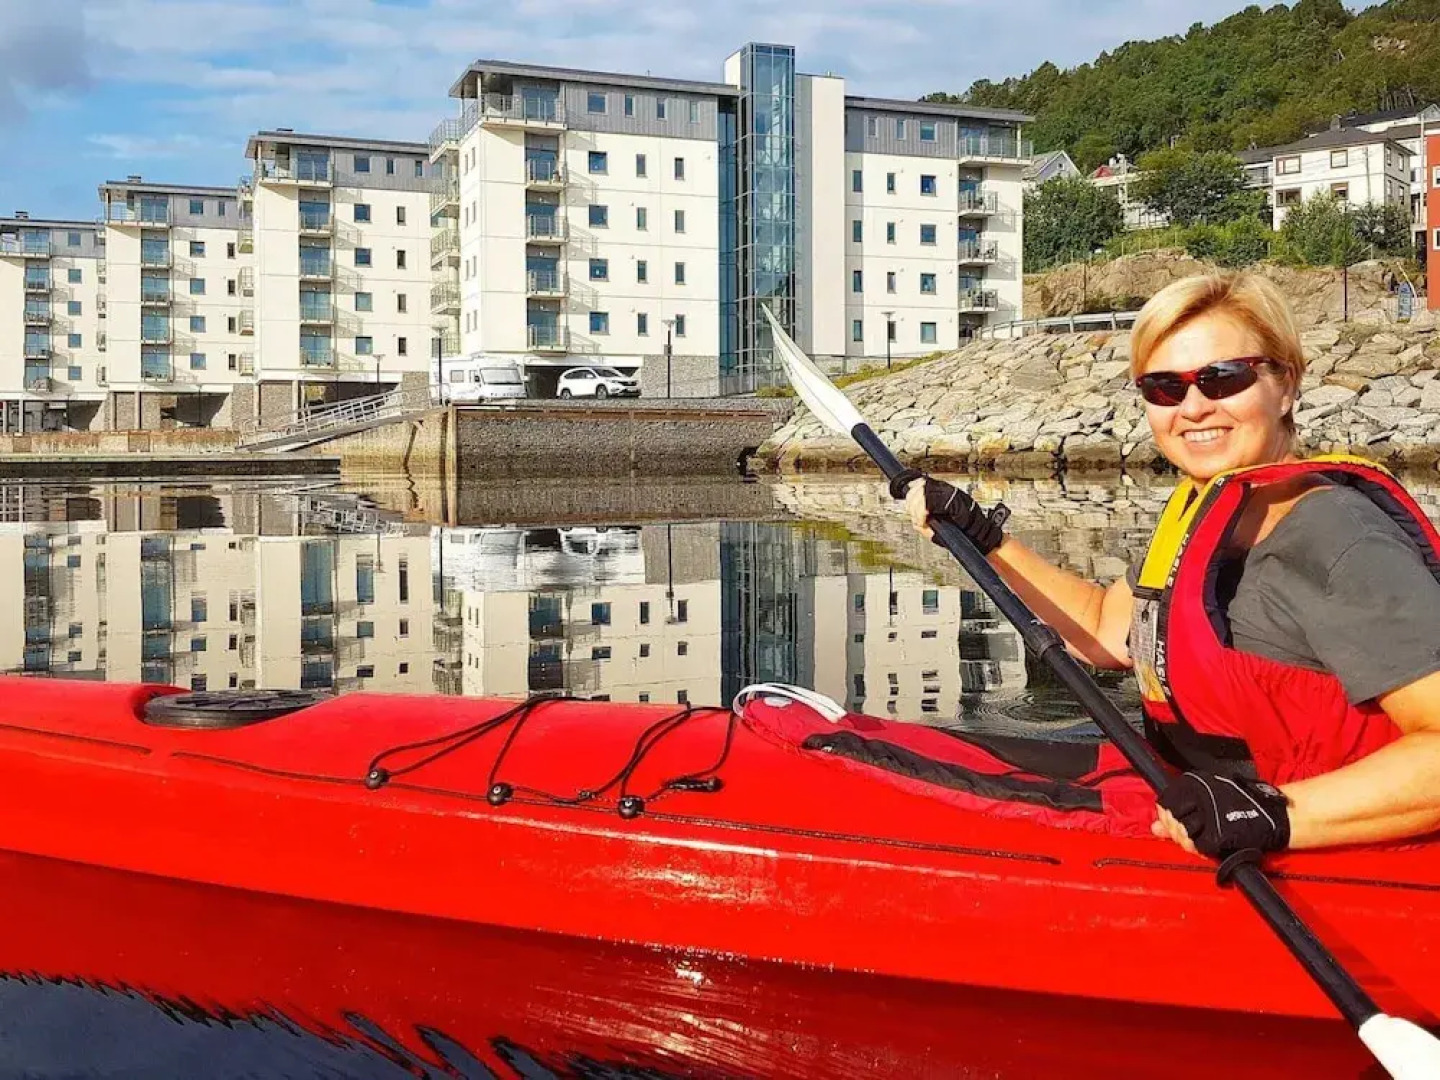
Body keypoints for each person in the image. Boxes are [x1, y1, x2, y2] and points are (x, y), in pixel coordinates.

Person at [897, 272, 1440, 859]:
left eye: (1223, 378)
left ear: (1286, 384)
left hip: (1331, 854)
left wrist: (1273, 814)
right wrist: (983, 538)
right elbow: (1107, 629)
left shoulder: (1340, 538)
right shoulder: (1205, 508)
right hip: (1199, 808)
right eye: (1164, 388)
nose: (1194, 408)